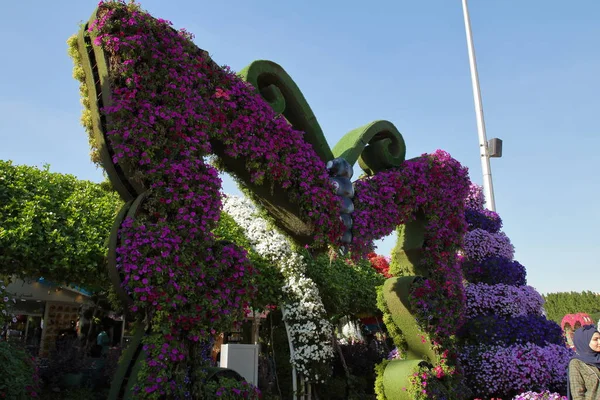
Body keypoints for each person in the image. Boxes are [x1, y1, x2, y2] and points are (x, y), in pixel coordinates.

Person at [568, 325, 600, 399]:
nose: (599, 342)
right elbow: (578, 395)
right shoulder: (576, 363)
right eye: (595, 339)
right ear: (584, 341)